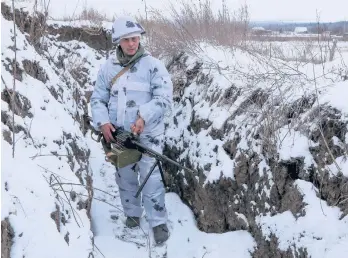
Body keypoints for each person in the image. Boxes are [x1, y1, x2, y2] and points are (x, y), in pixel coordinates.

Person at [90, 16, 173, 244]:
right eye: (126, 40)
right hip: (119, 136)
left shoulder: (154, 66)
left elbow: (164, 99)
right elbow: (98, 98)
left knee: (151, 178)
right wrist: (104, 122)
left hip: (148, 135)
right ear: (118, 41)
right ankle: (132, 215)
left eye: (135, 38)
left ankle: (157, 222)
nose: (131, 44)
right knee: (124, 177)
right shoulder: (108, 67)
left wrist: (143, 118)